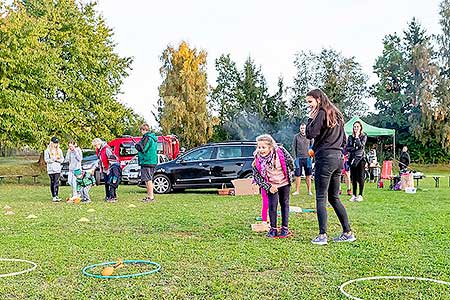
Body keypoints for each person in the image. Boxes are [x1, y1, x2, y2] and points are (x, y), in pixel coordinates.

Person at [305, 89, 355, 245]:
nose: (308, 105)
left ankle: (322, 235)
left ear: (318, 100)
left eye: (310, 102)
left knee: (321, 196)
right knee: (334, 197)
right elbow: (344, 141)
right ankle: (347, 232)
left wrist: (309, 119)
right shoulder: (337, 114)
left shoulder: (320, 112)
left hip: (325, 158)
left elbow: (310, 133)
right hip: (338, 159)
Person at [252, 134, 294, 238]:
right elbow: (257, 177)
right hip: (271, 185)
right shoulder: (257, 159)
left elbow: (290, 163)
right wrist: (268, 186)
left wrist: (290, 176)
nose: (261, 150)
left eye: (263, 147)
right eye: (259, 147)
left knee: (284, 204)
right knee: (272, 206)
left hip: (284, 182)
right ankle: (273, 229)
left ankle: (285, 228)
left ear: (270, 147)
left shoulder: (280, 151)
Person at [92, 138, 120, 202]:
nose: (95, 147)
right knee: (106, 183)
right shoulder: (99, 150)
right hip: (104, 168)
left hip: (110, 168)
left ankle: (113, 196)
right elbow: (100, 159)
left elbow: (112, 159)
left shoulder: (106, 149)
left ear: (99, 143)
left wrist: (109, 170)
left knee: (111, 183)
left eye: (95, 145)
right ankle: (108, 196)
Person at [135, 123, 158, 202]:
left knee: (148, 179)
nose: (141, 132)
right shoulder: (152, 138)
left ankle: (151, 197)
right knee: (148, 179)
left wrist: (136, 145)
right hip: (151, 161)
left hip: (147, 161)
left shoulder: (147, 138)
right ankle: (149, 196)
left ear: (144, 130)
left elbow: (142, 148)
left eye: (141, 130)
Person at [346, 121, 367, 202]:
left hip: (361, 159)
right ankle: (354, 195)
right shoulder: (350, 137)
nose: (356, 128)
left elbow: (361, 146)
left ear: (360, 127)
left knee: (361, 177)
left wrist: (357, 137)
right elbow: (348, 148)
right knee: (353, 177)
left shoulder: (364, 136)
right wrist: (355, 148)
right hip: (352, 159)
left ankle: (360, 195)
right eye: (354, 127)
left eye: (357, 126)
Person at [292, 123, 313, 196]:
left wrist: (312, 157)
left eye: (303, 128)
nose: (302, 129)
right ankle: (297, 191)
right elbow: (294, 148)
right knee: (297, 175)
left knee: (308, 175)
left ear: (306, 128)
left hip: (308, 158)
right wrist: (294, 158)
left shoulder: (310, 137)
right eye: (301, 128)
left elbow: (312, 148)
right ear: (299, 129)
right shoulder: (296, 137)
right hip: (298, 158)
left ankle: (309, 191)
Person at [44, 137, 64, 202]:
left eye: (57, 143)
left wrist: (58, 160)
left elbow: (62, 159)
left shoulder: (59, 150)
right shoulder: (47, 150)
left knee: (56, 181)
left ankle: (56, 195)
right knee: (52, 182)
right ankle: (53, 195)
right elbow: (46, 160)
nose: (56, 145)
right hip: (51, 169)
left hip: (57, 168)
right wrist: (52, 160)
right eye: (54, 143)